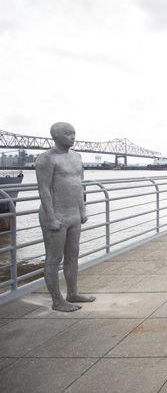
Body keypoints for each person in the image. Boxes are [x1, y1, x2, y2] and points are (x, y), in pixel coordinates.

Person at [36, 122, 95, 312]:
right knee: (54, 258)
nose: (73, 136)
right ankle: (57, 300)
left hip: (74, 214)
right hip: (56, 214)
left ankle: (73, 292)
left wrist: (83, 210)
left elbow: (79, 185)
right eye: (68, 133)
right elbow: (43, 189)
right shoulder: (46, 159)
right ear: (56, 136)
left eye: (74, 133)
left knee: (73, 255)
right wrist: (51, 217)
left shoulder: (77, 157)